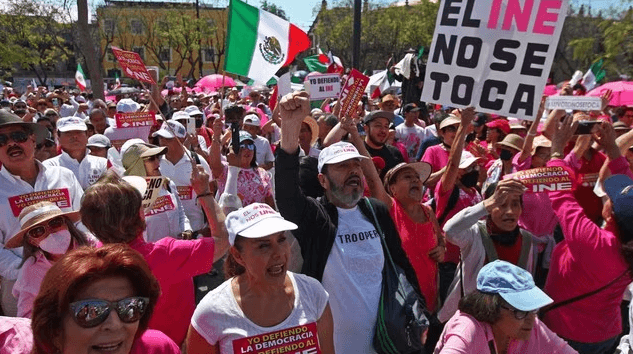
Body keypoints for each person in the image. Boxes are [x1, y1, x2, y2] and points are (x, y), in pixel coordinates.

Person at [275, 91, 422, 354]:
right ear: (323, 180)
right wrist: (290, 128)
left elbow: (402, 266)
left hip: (387, 345)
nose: (354, 171)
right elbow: (287, 195)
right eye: (342, 167)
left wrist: (419, 310)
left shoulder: (375, 211)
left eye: (356, 165)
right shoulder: (317, 217)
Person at [80, 169, 229, 346]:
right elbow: (223, 241)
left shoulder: (86, 261)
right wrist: (204, 193)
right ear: (140, 215)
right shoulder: (166, 255)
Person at [186, 203, 335, 353]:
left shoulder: (313, 293)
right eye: (264, 246)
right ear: (238, 255)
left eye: (281, 239)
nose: (279, 253)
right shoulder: (212, 313)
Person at [543, 115, 633, 353]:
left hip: (567, 333)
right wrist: (613, 148)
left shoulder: (594, 242)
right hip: (606, 333)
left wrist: (555, 152)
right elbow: (627, 188)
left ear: (608, 210)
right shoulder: (623, 239)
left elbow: (561, 196)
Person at [0, 110, 84, 317]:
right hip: (21, 288)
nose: (12, 144)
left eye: (18, 137)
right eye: (2, 139)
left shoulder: (64, 176)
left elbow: (83, 223)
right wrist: (28, 271)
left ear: (32, 140)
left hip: (76, 277)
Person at [31, 244, 180, 354]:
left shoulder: (158, 349)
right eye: (91, 311)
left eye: (130, 307)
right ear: (54, 331)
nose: (115, 325)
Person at [439, 178, 537, 323]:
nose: (510, 212)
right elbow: (450, 230)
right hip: (470, 320)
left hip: (506, 323)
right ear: (489, 208)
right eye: (501, 204)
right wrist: (488, 203)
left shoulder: (527, 240)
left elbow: (526, 282)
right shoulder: (474, 234)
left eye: (515, 204)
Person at [434, 260, 577, 354]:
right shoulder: (467, 329)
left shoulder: (533, 325)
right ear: (492, 308)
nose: (531, 319)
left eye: (533, 309)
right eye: (520, 310)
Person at [4, 201, 91, 318]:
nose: (50, 232)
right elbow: (28, 317)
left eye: (55, 223)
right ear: (31, 241)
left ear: (67, 223)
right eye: (37, 231)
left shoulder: (94, 247)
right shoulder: (31, 270)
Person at [121, 139, 192, 242]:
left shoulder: (167, 184)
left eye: (157, 158)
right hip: (148, 255)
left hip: (176, 251)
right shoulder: (127, 196)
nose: (158, 163)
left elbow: (181, 213)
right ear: (137, 165)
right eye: (151, 159)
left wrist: (186, 229)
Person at [153, 119, 213, 233]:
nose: (162, 142)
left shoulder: (197, 162)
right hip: (168, 233)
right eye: (160, 138)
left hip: (196, 229)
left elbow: (211, 192)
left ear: (181, 139)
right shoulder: (156, 163)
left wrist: (209, 226)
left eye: (168, 139)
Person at [210, 119, 275, 208]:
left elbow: (270, 202)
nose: (247, 149)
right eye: (242, 146)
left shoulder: (262, 173)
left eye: (250, 145)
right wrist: (216, 137)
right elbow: (214, 164)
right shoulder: (225, 170)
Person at [42, 116, 108, 190]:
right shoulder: (49, 166)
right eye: (68, 133)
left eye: (78, 132)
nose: (74, 136)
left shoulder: (103, 163)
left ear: (87, 135)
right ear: (58, 138)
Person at [363, 110, 405, 178]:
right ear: (366, 128)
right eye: (378, 126)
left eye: (386, 126)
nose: (383, 130)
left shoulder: (395, 153)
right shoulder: (356, 151)